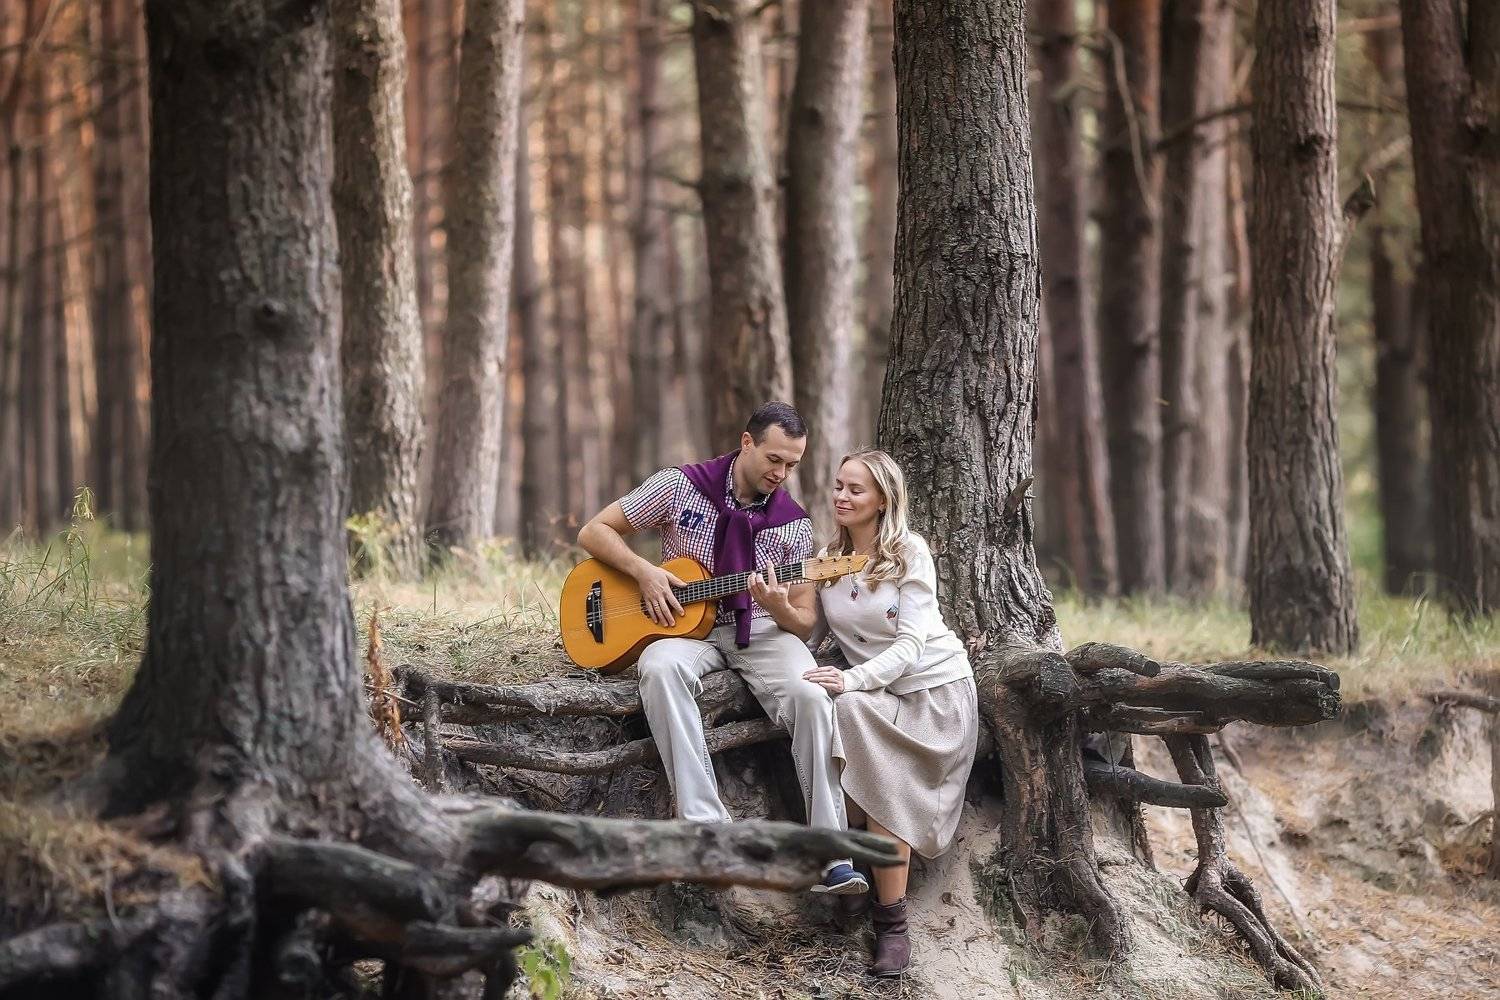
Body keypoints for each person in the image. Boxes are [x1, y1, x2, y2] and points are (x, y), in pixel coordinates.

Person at [576, 401, 869, 894]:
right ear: (747, 442)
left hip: (761, 630)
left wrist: (777, 606)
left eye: (792, 465)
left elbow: (803, 621)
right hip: (683, 629)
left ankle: (831, 854)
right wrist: (645, 573)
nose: (781, 474)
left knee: (812, 695)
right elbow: (594, 531)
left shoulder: (793, 524)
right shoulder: (680, 486)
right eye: (774, 459)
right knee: (658, 668)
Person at [798, 449, 979, 977]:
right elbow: (810, 634)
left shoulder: (908, 552)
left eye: (855, 489)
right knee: (845, 712)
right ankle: (854, 874)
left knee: (878, 774)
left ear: (883, 500)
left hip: (934, 695)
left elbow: (910, 646)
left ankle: (891, 923)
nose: (841, 496)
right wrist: (772, 612)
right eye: (838, 486)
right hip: (878, 697)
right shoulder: (828, 560)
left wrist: (851, 678)